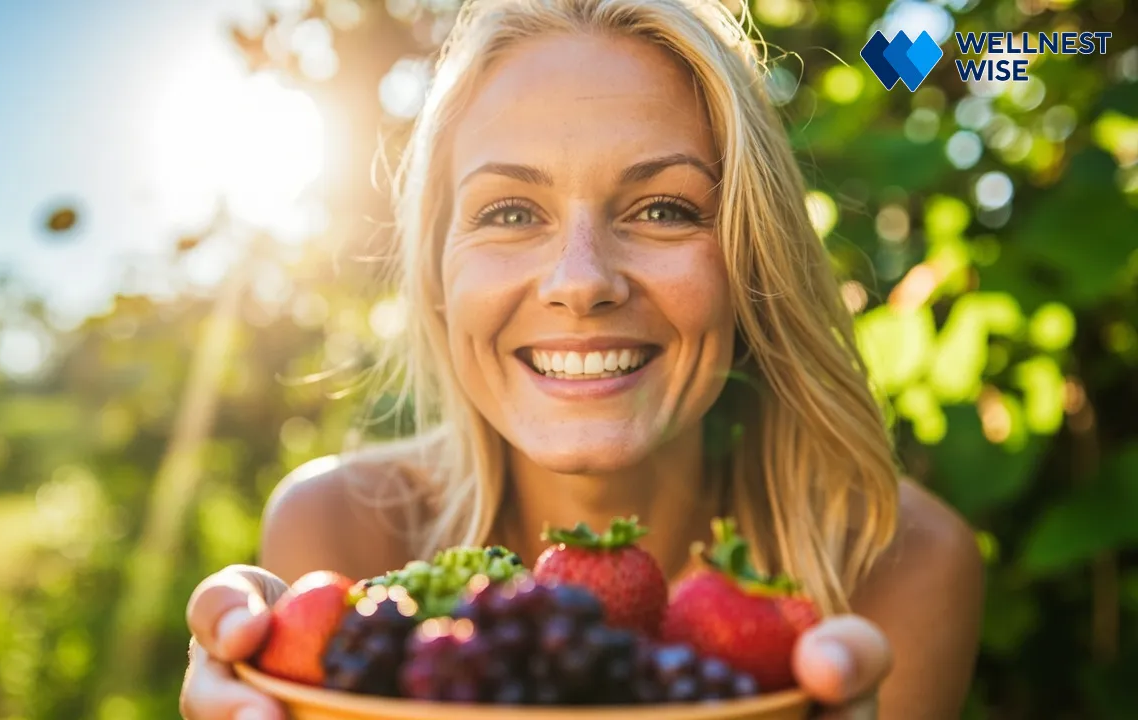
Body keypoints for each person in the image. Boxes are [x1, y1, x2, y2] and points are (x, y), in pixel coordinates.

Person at [180, 0, 986, 717]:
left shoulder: (898, 566)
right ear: (438, 277)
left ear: (752, 261)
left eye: (664, 208)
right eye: (510, 212)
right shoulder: (341, 534)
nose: (580, 280)